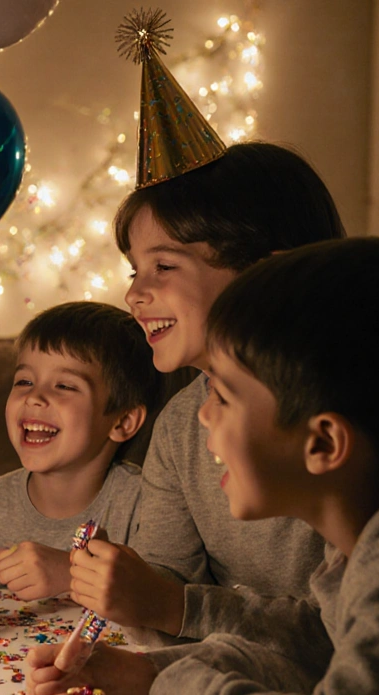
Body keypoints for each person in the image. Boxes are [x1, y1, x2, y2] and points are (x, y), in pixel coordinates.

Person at [28, 238, 379, 695]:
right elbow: (321, 648)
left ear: (322, 444)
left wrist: (171, 683)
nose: (202, 416)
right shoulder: (372, 541)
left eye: (223, 396)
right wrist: (149, 674)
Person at [70, 142, 346, 645]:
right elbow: (164, 585)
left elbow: (350, 640)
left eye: (164, 267)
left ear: (268, 276)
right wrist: (129, 589)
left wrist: (170, 606)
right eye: (135, 271)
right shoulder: (180, 423)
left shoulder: (349, 423)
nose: (134, 294)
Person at [0, 301, 157, 598]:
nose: (34, 396)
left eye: (64, 385)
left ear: (123, 421)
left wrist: (70, 572)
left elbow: (158, 600)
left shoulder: (145, 506)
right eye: (24, 381)